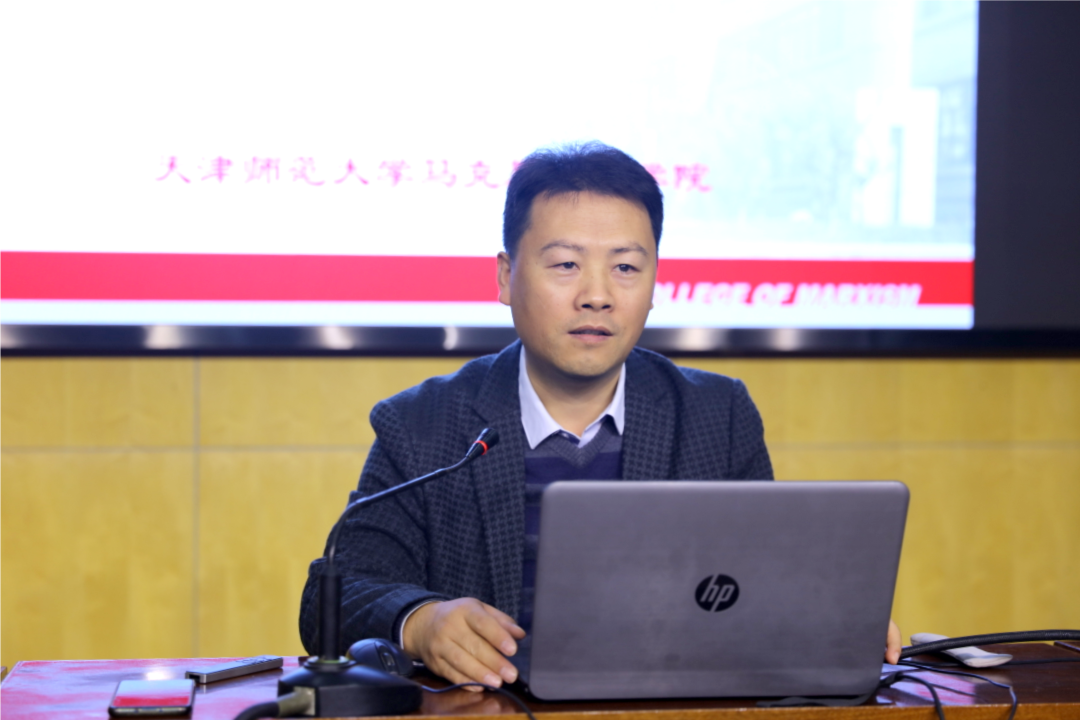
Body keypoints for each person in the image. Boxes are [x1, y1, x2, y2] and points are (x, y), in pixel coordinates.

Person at [299, 141, 901, 689]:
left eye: (626, 267)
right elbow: (335, 596)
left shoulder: (715, 415)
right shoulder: (424, 424)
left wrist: (826, 618)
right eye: (566, 264)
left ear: (655, 281)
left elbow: (757, 586)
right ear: (506, 277)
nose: (597, 295)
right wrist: (421, 621)